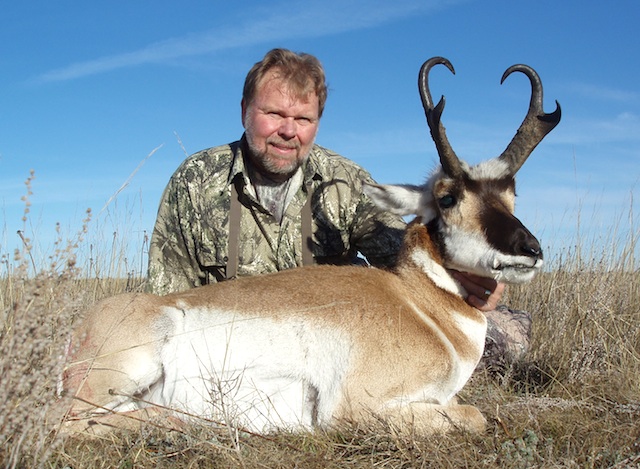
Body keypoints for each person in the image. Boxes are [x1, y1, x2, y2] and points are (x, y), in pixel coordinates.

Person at [145, 48, 504, 315]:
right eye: (274, 114)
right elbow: (165, 300)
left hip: (327, 346)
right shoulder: (195, 181)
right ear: (244, 111)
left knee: (501, 333)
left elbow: (407, 257)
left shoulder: (345, 183)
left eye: (303, 118)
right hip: (226, 347)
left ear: (318, 122)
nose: (288, 131)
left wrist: (469, 278)